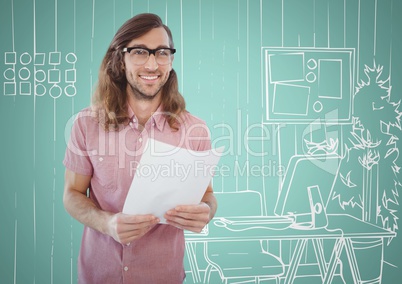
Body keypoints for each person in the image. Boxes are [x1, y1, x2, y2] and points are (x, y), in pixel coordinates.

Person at [63, 13, 217, 283]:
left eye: (162, 53)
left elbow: (208, 196)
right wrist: (106, 224)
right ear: (120, 60)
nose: (152, 63)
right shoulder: (86, 124)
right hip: (100, 275)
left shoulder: (196, 130)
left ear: (170, 60)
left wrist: (207, 211)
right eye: (139, 52)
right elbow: (72, 194)